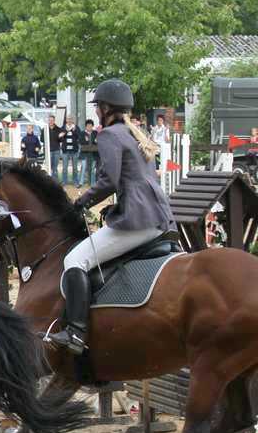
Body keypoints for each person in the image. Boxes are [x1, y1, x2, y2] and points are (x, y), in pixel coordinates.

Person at [48, 79, 175, 355]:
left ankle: (76, 332)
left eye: (97, 107)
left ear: (106, 108)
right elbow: (135, 181)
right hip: (158, 217)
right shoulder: (133, 132)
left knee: (75, 260)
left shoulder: (108, 135)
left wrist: (81, 202)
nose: (95, 112)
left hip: (137, 221)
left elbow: (109, 181)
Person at [58, 116, 81, 186]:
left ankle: (75, 182)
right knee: (64, 167)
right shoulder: (63, 127)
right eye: (68, 119)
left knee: (75, 168)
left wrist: (74, 130)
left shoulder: (76, 127)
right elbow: (60, 137)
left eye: (71, 119)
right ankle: (64, 182)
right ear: (66, 120)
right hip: (65, 150)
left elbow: (79, 137)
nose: (69, 120)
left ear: (72, 120)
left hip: (74, 150)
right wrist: (66, 131)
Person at [79, 119, 98, 185]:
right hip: (84, 154)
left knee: (92, 169)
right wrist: (87, 141)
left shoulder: (95, 133)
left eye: (90, 126)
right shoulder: (82, 133)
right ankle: (81, 182)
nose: (89, 127)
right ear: (85, 126)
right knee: (83, 168)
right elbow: (81, 142)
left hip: (93, 154)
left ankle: (92, 183)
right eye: (88, 126)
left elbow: (96, 143)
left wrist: (94, 141)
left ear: (92, 126)